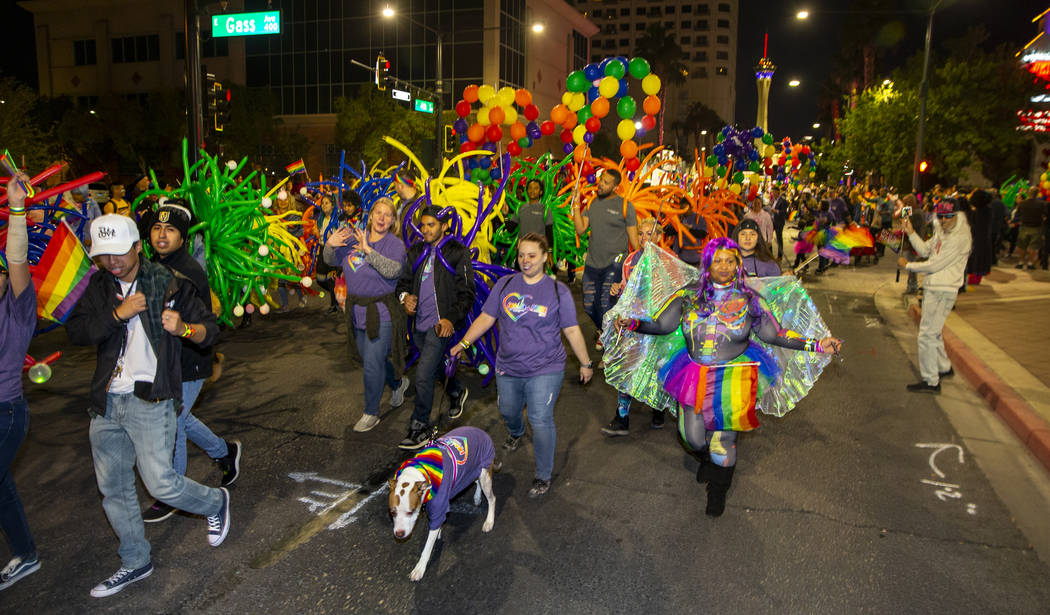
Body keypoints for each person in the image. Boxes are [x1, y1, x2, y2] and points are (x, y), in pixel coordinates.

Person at [66, 214, 231, 598]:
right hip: (107, 400)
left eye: (120, 253)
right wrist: (115, 316)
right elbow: (76, 330)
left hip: (152, 397)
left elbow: (211, 330)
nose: (114, 263)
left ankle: (215, 502)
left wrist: (184, 329)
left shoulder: (170, 283)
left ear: (137, 247)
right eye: (105, 256)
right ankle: (135, 559)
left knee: (160, 482)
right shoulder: (100, 285)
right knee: (114, 488)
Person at [615, 238, 841, 517]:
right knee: (692, 437)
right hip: (693, 373)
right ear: (707, 264)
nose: (723, 266)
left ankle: (718, 490)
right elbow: (662, 325)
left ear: (738, 265)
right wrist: (633, 323)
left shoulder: (750, 301)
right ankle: (707, 460)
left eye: (729, 260)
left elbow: (776, 334)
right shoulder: (688, 295)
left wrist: (817, 344)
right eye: (717, 260)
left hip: (734, 377)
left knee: (722, 441)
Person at [450, 233, 594, 497]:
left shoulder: (556, 291)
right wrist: (464, 343)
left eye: (532, 255)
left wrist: (585, 363)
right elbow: (486, 318)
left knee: (540, 418)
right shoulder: (505, 285)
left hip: (546, 367)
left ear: (545, 257)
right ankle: (516, 432)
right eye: (521, 255)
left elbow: (572, 330)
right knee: (508, 409)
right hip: (508, 366)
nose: (525, 260)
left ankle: (542, 475)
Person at [140, 202, 242, 523]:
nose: (161, 235)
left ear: (183, 238)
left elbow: (203, 325)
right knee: (180, 419)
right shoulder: (150, 265)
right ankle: (224, 452)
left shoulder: (189, 272)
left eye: (170, 230)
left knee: (174, 423)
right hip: (164, 358)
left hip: (190, 359)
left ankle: (174, 488)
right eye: (157, 228)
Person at [324, 197, 410, 433]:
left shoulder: (394, 245)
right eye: (378, 213)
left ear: (393, 220)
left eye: (387, 214)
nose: (382, 218)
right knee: (371, 358)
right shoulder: (353, 237)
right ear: (371, 216)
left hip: (381, 312)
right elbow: (329, 261)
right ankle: (397, 383)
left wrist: (368, 250)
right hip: (355, 311)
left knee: (372, 363)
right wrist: (329, 245)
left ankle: (371, 413)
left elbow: (393, 271)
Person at [396, 206, 475, 449]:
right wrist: (404, 298)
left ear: (444, 225)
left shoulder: (457, 253)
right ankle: (455, 390)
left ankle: (419, 425)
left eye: (431, 224)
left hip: (439, 327)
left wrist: (451, 318)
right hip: (418, 325)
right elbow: (402, 284)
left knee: (423, 374)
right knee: (436, 367)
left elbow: (467, 292)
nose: (426, 229)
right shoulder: (416, 251)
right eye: (423, 225)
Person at [0, 174, 41, 591]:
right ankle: (26, 554)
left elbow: (16, 260)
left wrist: (16, 211)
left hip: (6, 413)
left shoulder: (18, 310)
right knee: (2, 490)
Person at [899, 199, 972, 394]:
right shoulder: (942, 231)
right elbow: (924, 250)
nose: (945, 220)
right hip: (936, 287)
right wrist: (911, 232)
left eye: (949, 216)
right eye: (941, 216)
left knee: (927, 335)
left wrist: (908, 265)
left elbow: (934, 265)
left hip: (943, 289)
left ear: (957, 215)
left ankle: (931, 380)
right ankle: (943, 367)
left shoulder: (960, 237)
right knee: (934, 331)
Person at [604, 218, 664, 435]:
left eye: (650, 234)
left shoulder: (667, 261)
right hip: (632, 324)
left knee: (657, 369)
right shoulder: (630, 261)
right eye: (641, 233)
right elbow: (626, 291)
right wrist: (617, 290)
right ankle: (622, 418)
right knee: (625, 367)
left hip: (657, 324)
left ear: (659, 237)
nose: (644, 238)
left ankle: (658, 408)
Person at [572, 168, 639, 348]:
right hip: (593, 263)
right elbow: (580, 229)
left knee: (604, 304)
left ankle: (608, 340)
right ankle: (604, 329)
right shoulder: (593, 203)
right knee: (588, 306)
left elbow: (634, 240)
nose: (601, 184)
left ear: (616, 187)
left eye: (606, 182)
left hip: (615, 263)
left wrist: (641, 264)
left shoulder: (626, 206)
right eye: (601, 180)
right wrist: (576, 204)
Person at [1013, 187, 1045, 271]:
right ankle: (1030, 263)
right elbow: (1044, 215)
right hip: (1036, 227)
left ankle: (1021, 262)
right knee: (1033, 247)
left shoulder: (1022, 203)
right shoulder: (1042, 204)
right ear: (1037, 194)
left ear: (1028, 193)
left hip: (1024, 226)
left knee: (1022, 245)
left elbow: (1018, 213)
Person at [770, 186, 790, 260]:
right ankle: (770, 254)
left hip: (779, 222)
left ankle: (780, 255)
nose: (773, 194)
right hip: (772, 221)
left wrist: (776, 211)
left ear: (778, 192)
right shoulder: (773, 200)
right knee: (769, 237)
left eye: (774, 192)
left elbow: (784, 212)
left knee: (779, 239)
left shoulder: (783, 201)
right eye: (772, 192)